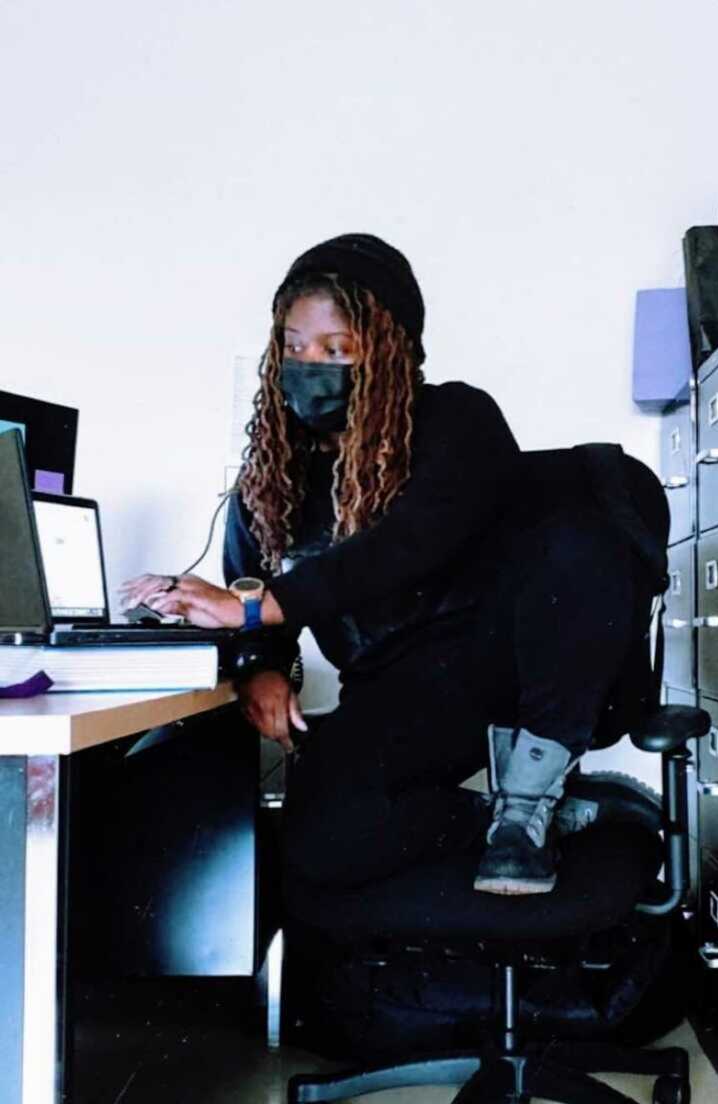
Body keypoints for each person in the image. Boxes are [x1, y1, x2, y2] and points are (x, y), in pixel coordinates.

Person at [121, 233, 639, 899]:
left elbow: (406, 544)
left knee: (580, 530)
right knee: (316, 843)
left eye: (336, 348)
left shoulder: (459, 419)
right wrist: (263, 663)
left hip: (496, 668)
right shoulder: (272, 481)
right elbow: (255, 589)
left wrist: (253, 607)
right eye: (294, 345)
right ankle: (502, 817)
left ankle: (527, 800)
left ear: (389, 347)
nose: (310, 364)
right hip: (396, 692)